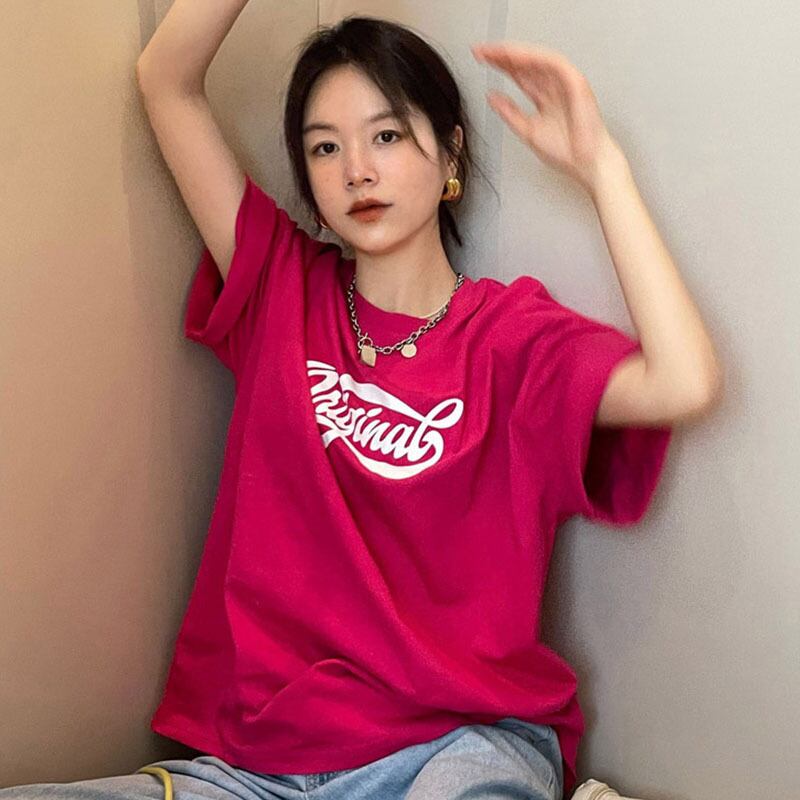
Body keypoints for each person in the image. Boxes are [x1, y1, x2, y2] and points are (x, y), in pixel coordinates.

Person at [2, 2, 722, 799]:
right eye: (325, 147)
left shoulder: (512, 341)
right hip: (260, 769)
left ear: (450, 151)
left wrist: (602, 169)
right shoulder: (278, 287)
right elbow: (166, 80)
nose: (356, 171)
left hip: (458, 748)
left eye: (386, 136)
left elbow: (683, 381)